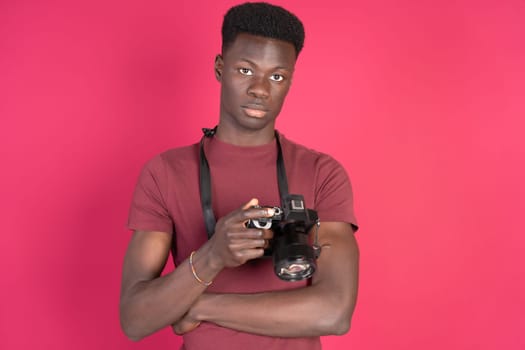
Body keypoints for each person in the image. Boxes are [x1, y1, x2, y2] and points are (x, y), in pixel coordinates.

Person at [120, 2, 359, 349]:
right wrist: (213, 255)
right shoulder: (165, 173)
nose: (261, 89)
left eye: (276, 76)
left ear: (290, 81)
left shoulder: (321, 173)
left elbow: (333, 313)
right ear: (220, 68)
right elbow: (135, 318)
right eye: (245, 70)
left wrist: (200, 305)